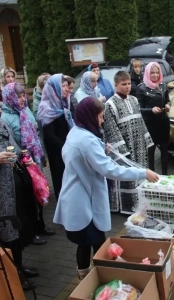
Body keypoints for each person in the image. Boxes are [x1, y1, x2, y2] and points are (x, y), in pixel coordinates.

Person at [53, 97, 159, 280]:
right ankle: (103, 278)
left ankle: (87, 277)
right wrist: (143, 172)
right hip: (83, 202)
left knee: (86, 243)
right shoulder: (87, 141)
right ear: (90, 116)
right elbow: (111, 170)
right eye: (100, 117)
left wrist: (102, 148)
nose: (102, 121)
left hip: (77, 197)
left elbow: (88, 152)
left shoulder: (77, 132)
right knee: (98, 243)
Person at [1, 82, 55, 245]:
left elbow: (36, 133)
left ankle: (40, 225)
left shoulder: (25, 111)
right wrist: (20, 156)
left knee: (39, 192)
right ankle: (30, 233)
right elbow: (11, 142)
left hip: (32, 159)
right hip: (18, 163)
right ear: (10, 98)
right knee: (28, 199)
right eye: (18, 96)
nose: (23, 99)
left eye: (24, 95)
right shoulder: (6, 117)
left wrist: (40, 154)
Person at [103, 71, 154, 213]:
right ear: (116, 85)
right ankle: (127, 206)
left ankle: (141, 202)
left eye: (129, 83)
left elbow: (141, 121)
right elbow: (111, 129)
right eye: (123, 84)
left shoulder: (134, 100)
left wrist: (147, 139)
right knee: (127, 175)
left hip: (139, 146)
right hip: (125, 147)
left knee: (140, 172)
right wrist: (123, 150)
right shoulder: (110, 104)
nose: (127, 87)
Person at [0, 119, 38, 290]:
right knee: (8, 233)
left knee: (19, 227)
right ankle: (13, 276)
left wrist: (25, 157)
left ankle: (20, 267)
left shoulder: (3, 123)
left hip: (15, 187)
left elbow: (14, 146)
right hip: (2, 194)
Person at [37, 74, 74, 200]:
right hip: (57, 152)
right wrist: (66, 146)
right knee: (61, 179)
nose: (66, 88)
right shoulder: (46, 108)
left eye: (66, 85)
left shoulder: (64, 103)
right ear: (54, 89)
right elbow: (49, 136)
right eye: (62, 86)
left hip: (68, 148)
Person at [137, 62, 171, 175]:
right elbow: (138, 108)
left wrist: (167, 105)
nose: (155, 75)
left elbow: (167, 99)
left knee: (165, 149)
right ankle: (151, 176)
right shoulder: (141, 88)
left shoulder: (163, 85)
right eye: (152, 73)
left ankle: (165, 174)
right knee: (151, 151)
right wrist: (151, 110)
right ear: (147, 73)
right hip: (149, 124)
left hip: (163, 122)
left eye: (157, 72)